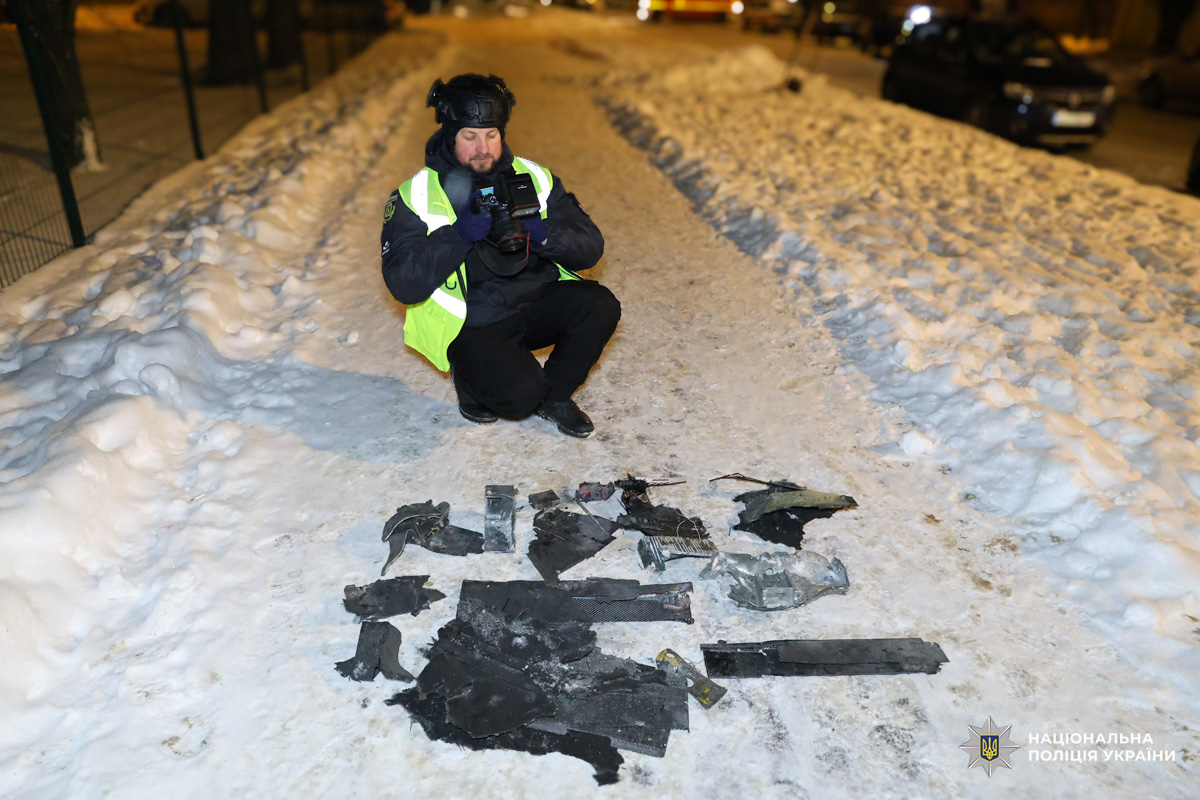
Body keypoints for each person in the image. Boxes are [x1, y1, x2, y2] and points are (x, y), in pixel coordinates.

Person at [380, 74, 620, 438]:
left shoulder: (532, 176)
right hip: (474, 320)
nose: (483, 148)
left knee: (600, 305)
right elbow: (403, 284)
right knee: (519, 398)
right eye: (470, 136)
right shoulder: (417, 194)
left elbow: (591, 247)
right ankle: (472, 376)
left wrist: (542, 232)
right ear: (450, 133)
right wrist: (458, 235)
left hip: (534, 299)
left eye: (491, 134)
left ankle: (554, 398)